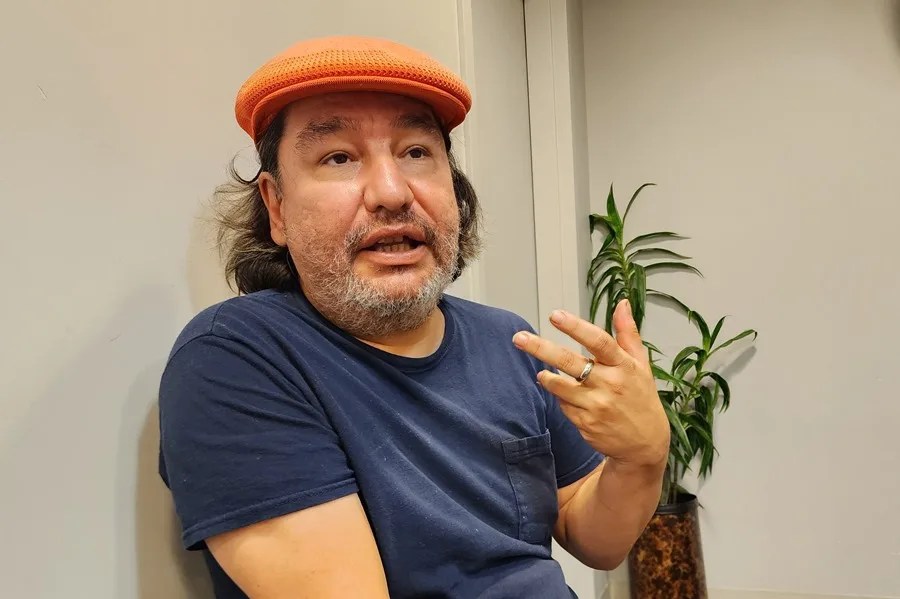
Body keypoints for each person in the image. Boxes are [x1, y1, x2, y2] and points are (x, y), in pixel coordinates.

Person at [158, 35, 669, 599]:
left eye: (417, 152)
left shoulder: (507, 339)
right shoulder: (236, 358)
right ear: (276, 207)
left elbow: (594, 538)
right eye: (338, 157)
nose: (391, 192)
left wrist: (642, 456)